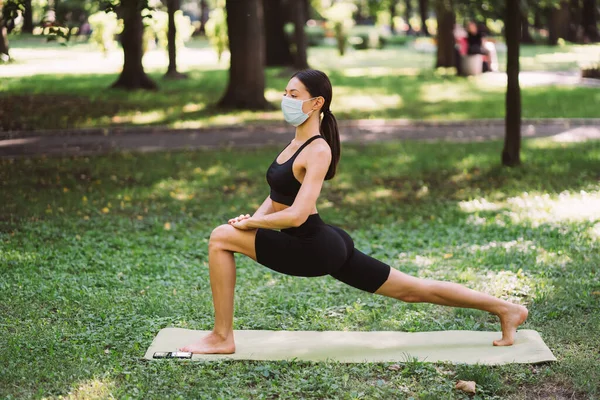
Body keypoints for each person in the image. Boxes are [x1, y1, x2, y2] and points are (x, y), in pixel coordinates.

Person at [179, 69, 528, 354]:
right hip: (328, 242)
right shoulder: (294, 143)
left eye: (293, 95)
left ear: (316, 103)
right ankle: (507, 310)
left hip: (312, 248)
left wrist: (253, 224)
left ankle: (223, 337)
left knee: (219, 239)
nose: (286, 100)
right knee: (412, 290)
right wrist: (250, 220)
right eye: (285, 93)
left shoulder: (318, 150)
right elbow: (277, 196)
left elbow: (298, 215)